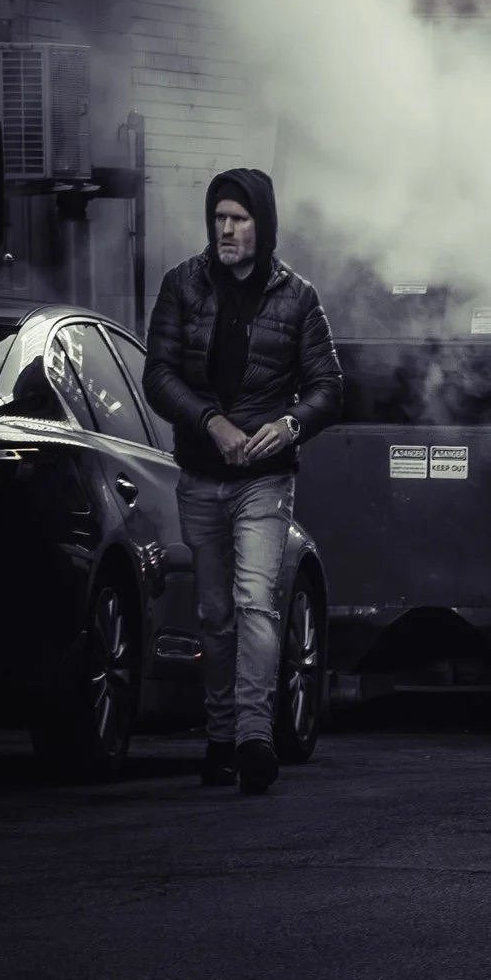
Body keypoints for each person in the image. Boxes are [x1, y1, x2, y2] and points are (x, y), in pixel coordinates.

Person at [143, 168, 341, 795]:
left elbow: (329, 387)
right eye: (219, 218)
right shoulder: (182, 285)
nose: (225, 229)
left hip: (264, 477)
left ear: (264, 225)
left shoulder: (297, 298)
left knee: (256, 602)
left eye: (238, 218)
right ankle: (221, 735)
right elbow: (158, 374)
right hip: (202, 474)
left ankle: (255, 736)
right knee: (214, 614)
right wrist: (210, 423)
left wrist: (289, 425)